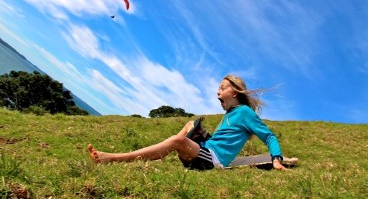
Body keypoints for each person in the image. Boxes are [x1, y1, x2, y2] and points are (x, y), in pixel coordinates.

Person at [88, 74, 287, 170]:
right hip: (207, 150)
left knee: (177, 141)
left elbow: (268, 136)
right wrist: (199, 135)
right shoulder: (230, 114)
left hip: (213, 160)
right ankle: (160, 155)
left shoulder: (244, 112)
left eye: (222, 87)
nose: (217, 91)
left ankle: (114, 158)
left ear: (234, 92)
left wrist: (276, 159)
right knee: (190, 124)